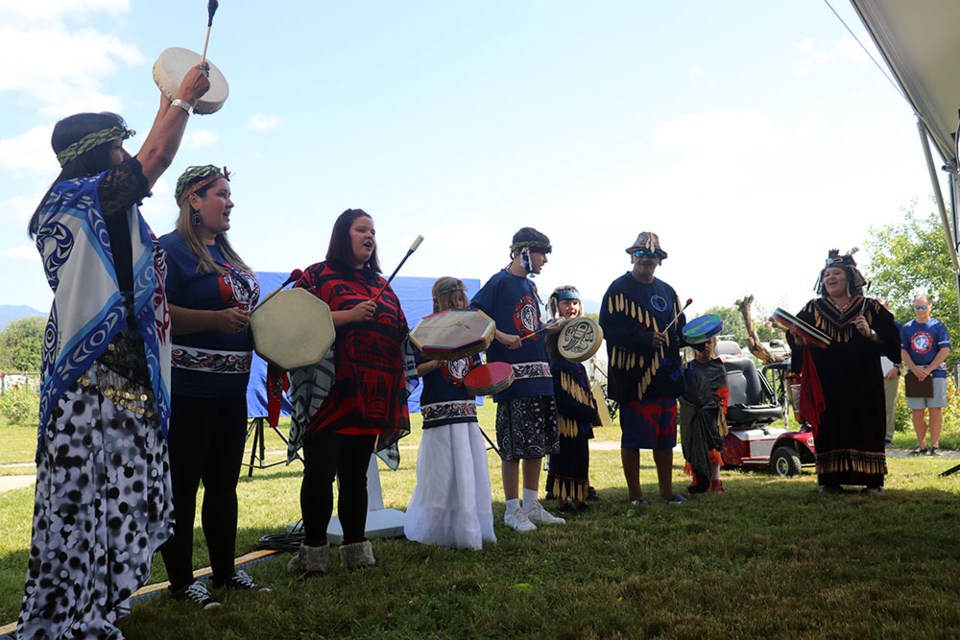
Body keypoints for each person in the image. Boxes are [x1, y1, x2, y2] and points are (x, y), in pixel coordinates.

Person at [18, 66, 210, 639]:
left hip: (119, 382)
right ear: (101, 155)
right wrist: (181, 102)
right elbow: (154, 161)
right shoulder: (77, 202)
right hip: (89, 388)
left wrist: (166, 103)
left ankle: (98, 608)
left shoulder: (98, 203)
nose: (128, 156)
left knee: (114, 502)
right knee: (86, 509)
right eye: (118, 148)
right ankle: (77, 616)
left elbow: (144, 160)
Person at [157, 165, 268, 609]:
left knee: (224, 484)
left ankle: (225, 572)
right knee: (183, 487)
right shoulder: (168, 251)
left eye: (230, 194)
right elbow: (155, 310)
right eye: (221, 194)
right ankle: (181, 582)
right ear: (193, 200)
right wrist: (213, 321)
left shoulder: (229, 257)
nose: (230, 202)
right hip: (188, 390)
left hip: (230, 390)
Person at [286, 209, 414, 575]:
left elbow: (400, 332)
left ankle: (357, 550)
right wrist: (348, 316)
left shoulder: (381, 284)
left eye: (373, 230)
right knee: (321, 471)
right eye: (361, 229)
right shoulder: (318, 275)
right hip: (329, 393)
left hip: (371, 395)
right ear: (344, 235)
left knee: (356, 474)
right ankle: (314, 554)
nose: (370, 236)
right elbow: (295, 322)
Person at [470, 227, 565, 532]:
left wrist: (548, 327)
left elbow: (529, 324)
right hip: (512, 377)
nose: (545, 260)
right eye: (542, 253)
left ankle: (532, 505)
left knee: (537, 443)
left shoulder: (531, 287)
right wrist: (498, 334)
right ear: (524, 251)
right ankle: (512, 510)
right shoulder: (498, 282)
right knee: (514, 445)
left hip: (539, 374)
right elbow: (474, 315)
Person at [787, 249, 900, 494]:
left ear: (849, 276)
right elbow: (795, 339)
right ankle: (830, 481)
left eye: (836, 273)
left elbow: (893, 344)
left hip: (864, 384)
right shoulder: (813, 308)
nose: (830, 278)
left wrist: (870, 334)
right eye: (826, 274)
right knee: (829, 426)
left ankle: (872, 482)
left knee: (867, 425)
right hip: (828, 385)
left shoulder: (870, 308)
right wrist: (797, 340)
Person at [404, 277, 497, 549]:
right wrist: (438, 361)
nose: (464, 303)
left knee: (470, 470)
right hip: (438, 409)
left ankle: (468, 531)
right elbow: (413, 371)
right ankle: (435, 531)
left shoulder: (470, 331)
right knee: (440, 474)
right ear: (443, 299)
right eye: (458, 298)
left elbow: (476, 371)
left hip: (465, 409)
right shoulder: (423, 331)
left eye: (464, 298)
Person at [599, 231, 687, 505]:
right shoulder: (617, 289)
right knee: (634, 438)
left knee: (666, 439)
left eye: (652, 255)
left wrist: (695, 337)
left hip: (666, 376)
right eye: (640, 254)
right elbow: (608, 330)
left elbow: (681, 329)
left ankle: (666, 491)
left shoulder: (668, 291)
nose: (646, 260)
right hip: (635, 378)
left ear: (660, 260)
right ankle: (636, 494)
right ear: (631, 256)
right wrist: (644, 340)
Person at [543, 285, 600, 511]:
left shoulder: (579, 337)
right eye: (567, 303)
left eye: (575, 303)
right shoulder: (551, 329)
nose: (572, 308)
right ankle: (561, 498)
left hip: (576, 374)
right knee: (564, 452)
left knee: (579, 453)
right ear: (557, 306)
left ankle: (578, 497)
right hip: (560, 381)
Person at [901, 293, 951, 456]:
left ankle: (935, 446)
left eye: (924, 307)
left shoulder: (938, 326)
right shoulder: (907, 328)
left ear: (930, 307)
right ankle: (921, 446)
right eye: (917, 307)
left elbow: (945, 350)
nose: (920, 310)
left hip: (936, 373)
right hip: (915, 373)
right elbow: (903, 351)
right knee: (917, 410)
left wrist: (928, 369)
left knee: (935, 409)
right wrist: (915, 370)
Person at [679, 330, 729, 494]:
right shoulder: (688, 368)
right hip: (693, 414)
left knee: (713, 445)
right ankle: (697, 480)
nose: (705, 346)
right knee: (695, 445)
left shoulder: (718, 368)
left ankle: (715, 480)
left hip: (713, 413)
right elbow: (685, 392)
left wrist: (719, 409)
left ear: (714, 344)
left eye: (709, 342)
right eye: (702, 343)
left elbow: (722, 391)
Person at [877, 297, 901, 447]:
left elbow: (901, 348)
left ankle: (887, 437)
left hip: (890, 367)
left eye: (881, 306)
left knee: (888, 404)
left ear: (887, 307)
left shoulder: (895, 325)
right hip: (872, 368)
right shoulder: (867, 324)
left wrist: (897, 366)